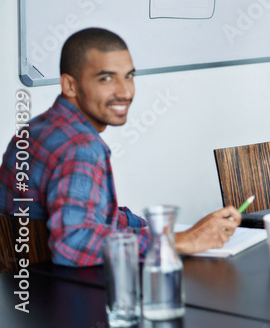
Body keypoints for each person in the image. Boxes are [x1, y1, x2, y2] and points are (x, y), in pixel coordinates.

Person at [0, 28, 240, 267]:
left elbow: (88, 215)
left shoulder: (36, 129)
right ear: (70, 85)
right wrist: (179, 240)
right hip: (62, 294)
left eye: (129, 76)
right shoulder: (81, 148)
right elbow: (73, 244)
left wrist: (144, 225)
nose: (125, 91)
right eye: (106, 78)